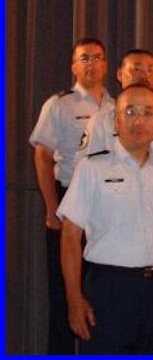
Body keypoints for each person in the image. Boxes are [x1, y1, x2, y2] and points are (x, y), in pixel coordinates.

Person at [57, 84, 153, 354]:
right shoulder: (91, 168)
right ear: (115, 120)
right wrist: (73, 298)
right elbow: (70, 236)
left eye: (148, 112)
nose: (139, 120)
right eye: (129, 111)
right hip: (109, 291)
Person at [29, 37, 114, 354]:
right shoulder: (59, 104)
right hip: (68, 201)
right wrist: (52, 208)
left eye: (98, 58)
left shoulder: (116, 107)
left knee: (100, 286)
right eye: (85, 58)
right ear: (73, 66)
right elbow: (42, 156)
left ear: (107, 65)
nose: (92, 63)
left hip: (105, 205)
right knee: (65, 291)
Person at [74, 48, 153, 162]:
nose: (145, 75)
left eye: (150, 70)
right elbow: (86, 166)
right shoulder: (102, 120)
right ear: (120, 74)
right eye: (136, 69)